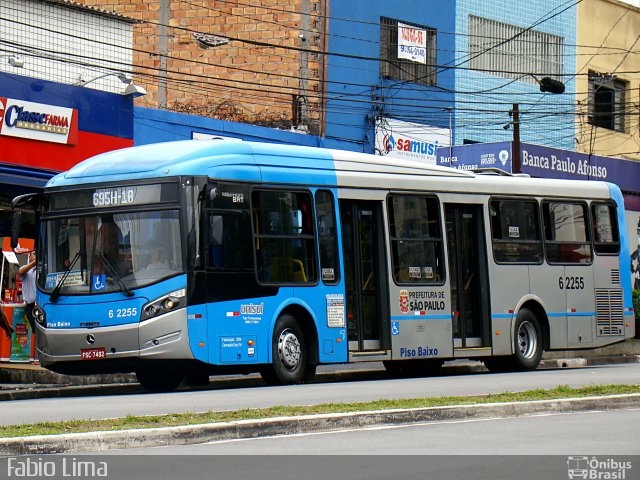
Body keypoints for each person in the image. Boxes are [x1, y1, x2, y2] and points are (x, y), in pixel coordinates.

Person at [18, 251, 37, 333]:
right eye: (34, 254)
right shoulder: (25, 269)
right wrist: (34, 263)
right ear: (29, 256)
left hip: (41, 304)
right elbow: (20, 272)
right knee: (35, 329)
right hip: (31, 306)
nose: (36, 255)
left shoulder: (42, 269)